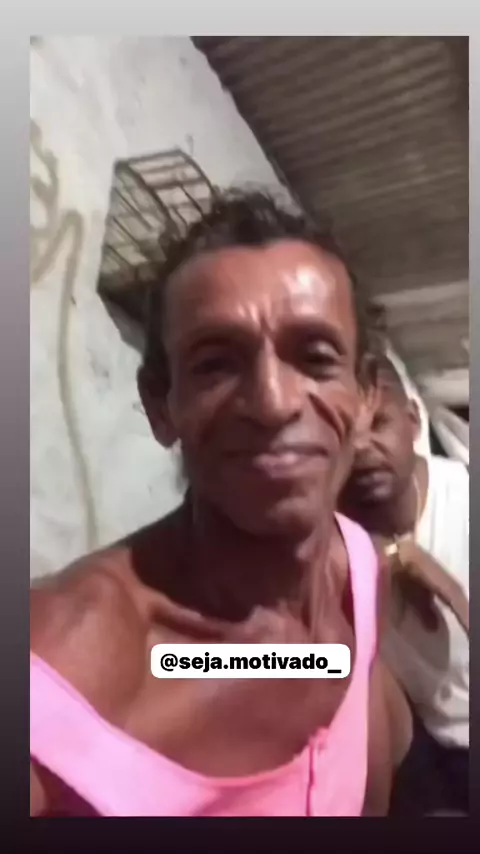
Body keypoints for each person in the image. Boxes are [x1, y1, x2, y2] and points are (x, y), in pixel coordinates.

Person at [30, 192, 404, 818]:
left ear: (366, 396)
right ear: (161, 405)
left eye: (315, 358)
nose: (273, 402)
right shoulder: (68, 666)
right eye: (215, 365)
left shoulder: (359, 571)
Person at [340, 355, 469, 814]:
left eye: (378, 423)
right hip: (434, 749)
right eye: (344, 434)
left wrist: (450, 589)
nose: (362, 448)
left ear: (413, 421)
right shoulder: (332, 539)